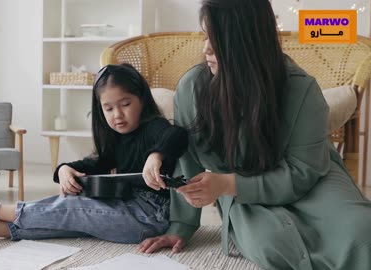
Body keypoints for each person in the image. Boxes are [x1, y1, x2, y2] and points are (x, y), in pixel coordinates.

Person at [138, 0, 371, 269]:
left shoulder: (301, 90)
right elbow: (187, 160)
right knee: (274, 243)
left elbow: (304, 170)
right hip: (238, 187)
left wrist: (228, 185)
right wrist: (181, 225)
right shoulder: (192, 89)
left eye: (218, 39)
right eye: (205, 36)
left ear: (247, 44)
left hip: (312, 179)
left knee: (362, 233)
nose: (207, 49)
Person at [0, 63, 188, 244]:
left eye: (125, 104)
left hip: (149, 217)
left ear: (142, 101)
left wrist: (156, 155)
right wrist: (63, 169)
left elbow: (177, 135)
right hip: (123, 206)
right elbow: (95, 163)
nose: (117, 115)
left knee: (73, 209)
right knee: (67, 218)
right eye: (109, 108)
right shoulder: (116, 138)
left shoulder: (154, 127)